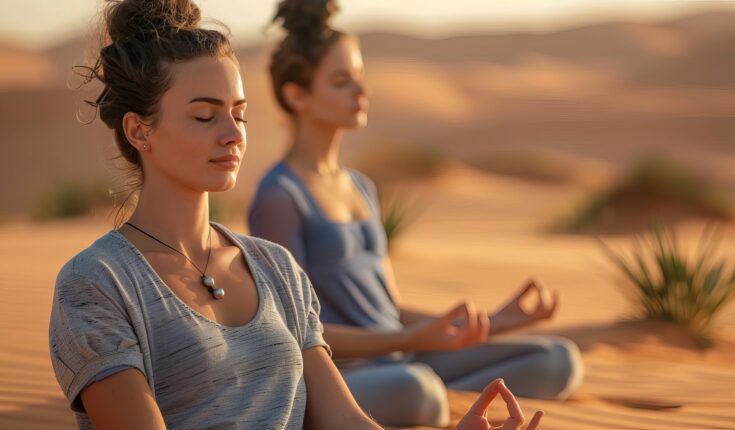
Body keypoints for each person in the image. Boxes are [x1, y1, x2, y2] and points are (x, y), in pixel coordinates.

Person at [48, 1, 543, 429]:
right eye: (205, 115)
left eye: (239, 114)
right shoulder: (97, 283)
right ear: (139, 131)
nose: (234, 134)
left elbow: (345, 421)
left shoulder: (275, 268)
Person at [248, 0, 583, 427]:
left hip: (406, 357)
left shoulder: (361, 188)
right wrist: (408, 341)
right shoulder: (280, 196)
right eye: (340, 81)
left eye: (361, 79)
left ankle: (454, 401)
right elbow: (292, 330)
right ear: (298, 95)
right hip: (347, 374)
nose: (360, 92)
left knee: (556, 358)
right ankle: (443, 402)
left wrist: (496, 321)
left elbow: (389, 307)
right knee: (415, 386)